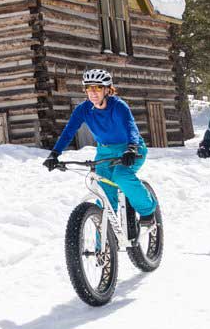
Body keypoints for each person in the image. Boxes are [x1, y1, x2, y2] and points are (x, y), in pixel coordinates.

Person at [43, 68, 158, 231]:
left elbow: (131, 127)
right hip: (105, 152)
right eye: (89, 88)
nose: (93, 92)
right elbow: (69, 131)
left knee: (121, 175)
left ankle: (147, 212)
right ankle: (103, 248)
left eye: (97, 87)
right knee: (103, 194)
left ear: (107, 89)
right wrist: (54, 154)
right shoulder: (83, 109)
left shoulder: (118, 106)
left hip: (131, 148)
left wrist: (131, 148)